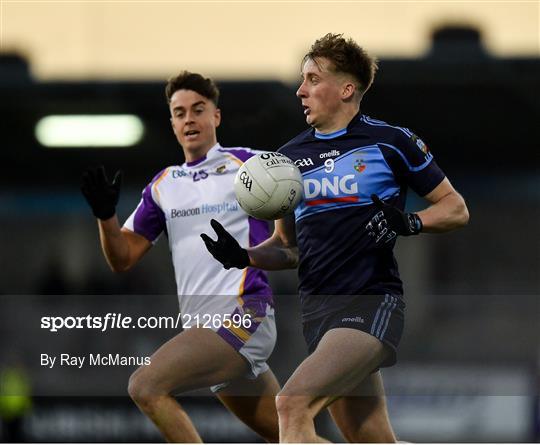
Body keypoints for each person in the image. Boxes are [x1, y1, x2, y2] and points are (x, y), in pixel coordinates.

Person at [201, 33, 470, 443]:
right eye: (302, 79)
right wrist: (245, 255)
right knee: (372, 439)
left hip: (369, 303)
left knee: (291, 405)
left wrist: (410, 222)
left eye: (312, 79)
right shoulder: (286, 160)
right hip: (318, 315)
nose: (300, 90)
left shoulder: (390, 142)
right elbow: (287, 249)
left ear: (346, 89)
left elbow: (455, 209)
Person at [81, 71, 280, 443]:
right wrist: (105, 216)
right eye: (179, 112)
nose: (189, 118)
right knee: (294, 436)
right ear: (172, 123)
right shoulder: (163, 185)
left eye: (198, 109)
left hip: (245, 314)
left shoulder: (248, 166)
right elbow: (121, 257)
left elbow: (294, 191)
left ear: (216, 117)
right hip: (203, 331)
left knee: (145, 385)